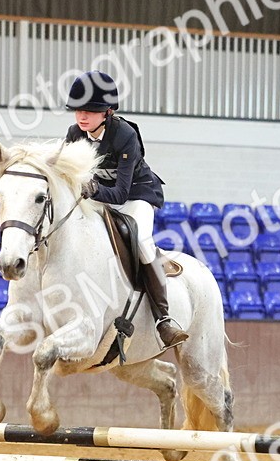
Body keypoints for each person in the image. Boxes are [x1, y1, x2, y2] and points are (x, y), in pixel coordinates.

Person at [63, 70, 187, 349]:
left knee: (142, 240)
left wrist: (92, 189)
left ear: (106, 112)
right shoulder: (74, 134)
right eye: (78, 110)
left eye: (90, 111)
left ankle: (163, 319)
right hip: (100, 195)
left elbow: (119, 193)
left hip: (136, 195)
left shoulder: (125, 134)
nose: (82, 116)